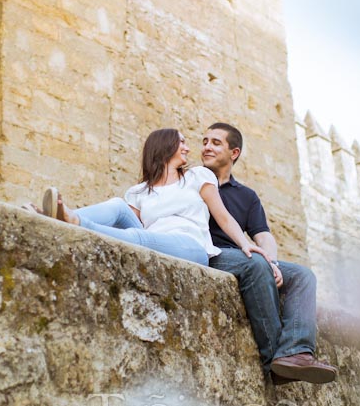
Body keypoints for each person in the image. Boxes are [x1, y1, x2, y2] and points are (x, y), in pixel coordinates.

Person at [201, 123, 337, 385]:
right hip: (209, 252)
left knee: (302, 275)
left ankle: (296, 352)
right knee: (257, 265)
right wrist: (262, 261)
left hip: (243, 254)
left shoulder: (247, 196)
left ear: (234, 152)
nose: (206, 146)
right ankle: (275, 360)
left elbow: (262, 235)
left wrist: (273, 262)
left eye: (216, 142)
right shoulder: (193, 181)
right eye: (205, 141)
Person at [29, 128, 267, 267]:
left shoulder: (198, 176)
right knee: (117, 207)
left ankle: (74, 222)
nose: (187, 148)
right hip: (154, 239)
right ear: (166, 146)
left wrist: (246, 244)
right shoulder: (139, 192)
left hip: (189, 245)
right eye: (182, 142)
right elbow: (131, 226)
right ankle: (51, 217)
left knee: (137, 237)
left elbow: (223, 217)